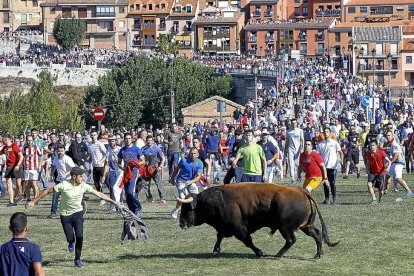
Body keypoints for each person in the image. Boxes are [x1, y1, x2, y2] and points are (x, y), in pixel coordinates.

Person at [26, 167, 118, 268]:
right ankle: (70, 242)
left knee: (80, 236)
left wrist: (112, 201)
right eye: (81, 176)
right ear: (74, 177)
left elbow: (99, 194)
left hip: (78, 214)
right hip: (65, 215)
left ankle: (77, 260)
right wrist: (33, 201)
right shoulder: (64, 185)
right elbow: (47, 191)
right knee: (70, 237)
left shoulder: (83, 186)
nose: (82, 178)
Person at [170, 147, 203, 219]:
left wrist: (191, 181)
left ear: (197, 154)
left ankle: (194, 212)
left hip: (190, 182)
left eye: (195, 153)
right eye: (191, 153)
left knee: (196, 197)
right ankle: (176, 210)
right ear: (189, 154)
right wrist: (172, 178)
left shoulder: (200, 163)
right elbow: (176, 169)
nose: (193, 155)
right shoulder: (183, 160)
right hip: (181, 181)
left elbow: (199, 176)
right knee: (182, 197)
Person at [118, 132, 145, 217]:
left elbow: (143, 161)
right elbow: (119, 163)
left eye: (129, 138)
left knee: (131, 192)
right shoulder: (122, 150)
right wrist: (123, 168)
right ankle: (132, 211)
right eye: (126, 138)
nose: (128, 140)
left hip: (134, 171)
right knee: (127, 194)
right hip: (126, 172)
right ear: (124, 139)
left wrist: (135, 164)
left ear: (132, 139)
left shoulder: (136, 149)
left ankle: (139, 207)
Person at [316, 127, 343, 204]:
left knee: (332, 183)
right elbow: (317, 155)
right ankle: (327, 199)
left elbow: (340, 152)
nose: (326, 133)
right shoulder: (321, 144)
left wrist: (341, 161)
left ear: (330, 133)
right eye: (324, 132)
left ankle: (334, 199)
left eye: (327, 131)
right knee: (325, 183)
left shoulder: (334, 143)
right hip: (324, 167)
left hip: (333, 167)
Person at [50, 144, 77, 219]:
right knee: (55, 196)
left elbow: (73, 169)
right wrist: (51, 174)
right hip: (59, 180)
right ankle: (53, 213)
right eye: (59, 151)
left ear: (64, 151)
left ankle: (78, 207)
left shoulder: (67, 159)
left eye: (62, 151)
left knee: (70, 197)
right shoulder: (55, 158)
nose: (60, 152)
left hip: (68, 181)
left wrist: (66, 174)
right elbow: (54, 166)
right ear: (56, 151)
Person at [384, 130, 413, 196]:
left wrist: (390, 162)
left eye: (389, 135)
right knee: (387, 175)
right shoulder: (390, 144)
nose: (388, 137)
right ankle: (385, 190)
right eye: (387, 135)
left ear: (392, 136)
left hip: (398, 163)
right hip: (395, 163)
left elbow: (396, 155)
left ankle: (408, 191)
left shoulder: (394, 144)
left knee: (398, 178)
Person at [139, 135, 166, 204]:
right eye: (148, 140)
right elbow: (140, 158)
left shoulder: (156, 148)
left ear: (152, 141)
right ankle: (149, 198)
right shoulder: (143, 149)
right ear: (146, 141)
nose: (149, 142)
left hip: (155, 168)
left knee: (159, 183)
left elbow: (163, 158)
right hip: (146, 169)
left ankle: (162, 198)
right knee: (145, 184)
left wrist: (160, 166)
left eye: (150, 140)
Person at [1, 134, 24, 207]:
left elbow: (21, 156)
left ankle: (15, 198)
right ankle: (11, 201)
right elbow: (1, 152)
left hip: (17, 167)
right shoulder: (5, 148)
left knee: (18, 185)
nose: (1, 141)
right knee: (8, 183)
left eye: (3, 139)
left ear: (7, 139)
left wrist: (18, 165)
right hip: (9, 167)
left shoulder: (14, 146)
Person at [365, 140, 391, 205]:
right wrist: (366, 172)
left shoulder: (381, 152)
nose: (372, 147)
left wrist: (388, 167)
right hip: (372, 172)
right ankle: (374, 199)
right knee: (369, 184)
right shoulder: (369, 154)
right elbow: (368, 163)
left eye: (373, 145)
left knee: (381, 190)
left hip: (381, 173)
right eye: (370, 145)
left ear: (377, 146)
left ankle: (380, 199)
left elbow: (389, 161)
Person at [87, 130, 107, 206]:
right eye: (92, 135)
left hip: (101, 166)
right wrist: (88, 161)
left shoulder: (100, 144)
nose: (93, 137)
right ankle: (102, 199)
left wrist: (100, 161)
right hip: (95, 166)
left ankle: (113, 198)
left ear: (97, 135)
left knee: (106, 183)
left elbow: (105, 155)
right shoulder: (89, 145)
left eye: (94, 135)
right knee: (96, 183)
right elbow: (90, 156)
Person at [22, 135, 43, 200]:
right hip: (27, 169)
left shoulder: (36, 147)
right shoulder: (24, 148)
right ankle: (28, 198)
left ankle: (36, 198)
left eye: (31, 140)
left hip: (34, 168)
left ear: (32, 141)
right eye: (28, 140)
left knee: (34, 184)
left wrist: (39, 165)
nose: (29, 142)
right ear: (26, 140)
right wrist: (23, 164)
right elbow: (22, 157)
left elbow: (41, 156)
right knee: (27, 184)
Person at [285, 119, 304, 185]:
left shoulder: (300, 130)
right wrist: (285, 150)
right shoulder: (288, 132)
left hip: (298, 149)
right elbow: (286, 142)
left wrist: (302, 148)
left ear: (296, 123)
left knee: (297, 164)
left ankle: (299, 176)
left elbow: (302, 140)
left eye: (294, 123)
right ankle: (292, 179)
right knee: (291, 164)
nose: (293, 124)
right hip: (290, 149)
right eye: (292, 123)